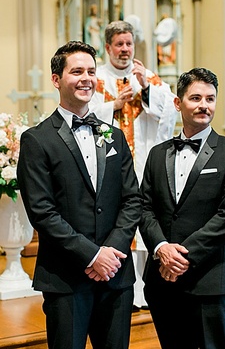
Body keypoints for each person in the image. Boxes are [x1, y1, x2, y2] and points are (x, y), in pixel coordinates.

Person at [18, 40, 142, 349]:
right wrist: (92, 255)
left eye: (91, 71)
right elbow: (42, 212)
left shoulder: (112, 135)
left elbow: (132, 200)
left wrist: (109, 254)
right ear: (56, 79)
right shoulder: (37, 140)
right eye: (76, 71)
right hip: (66, 277)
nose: (86, 78)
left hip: (116, 276)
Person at [139, 67, 225, 348]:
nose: (204, 105)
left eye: (210, 98)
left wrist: (182, 258)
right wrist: (161, 249)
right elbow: (144, 208)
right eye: (195, 98)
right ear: (178, 103)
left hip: (209, 279)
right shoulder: (158, 154)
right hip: (161, 281)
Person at [89, 20, 178, 310]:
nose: (125, 49)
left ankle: (143, 289)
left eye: (129, 43)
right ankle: (121, 284)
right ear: (107, 47)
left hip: (142, 162)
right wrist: (113, 105)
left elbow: (168, 114)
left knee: (145, 219)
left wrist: (149, 87)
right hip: (110, 164)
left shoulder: (147, 76)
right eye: (119, 44)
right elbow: (84, 114)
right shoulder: (97, 76)